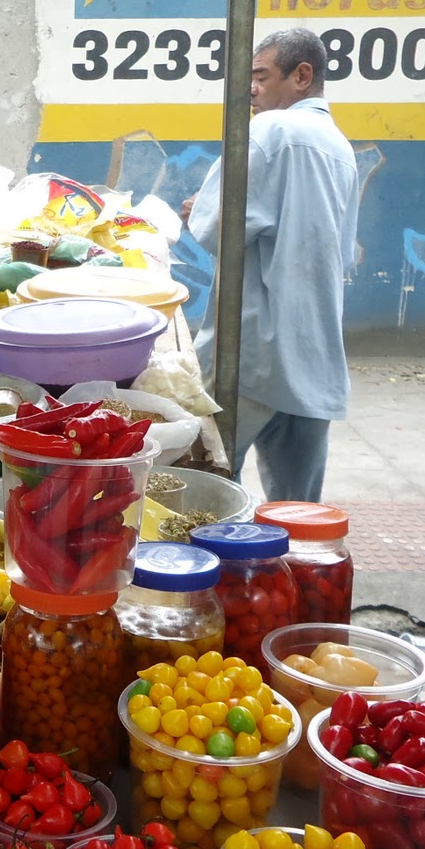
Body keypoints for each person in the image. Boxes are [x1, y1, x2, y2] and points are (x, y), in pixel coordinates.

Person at [180, 28, 359, 503]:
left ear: (303, 76)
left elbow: (216, 228)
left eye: (260, 77)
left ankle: (217, 579)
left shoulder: (269, 131)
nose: (251, 90)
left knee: (208, 492)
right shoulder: (340, 148)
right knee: (297, 512)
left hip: (252, 351)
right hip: (314, 351)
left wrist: (197, 209)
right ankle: (292, 579)